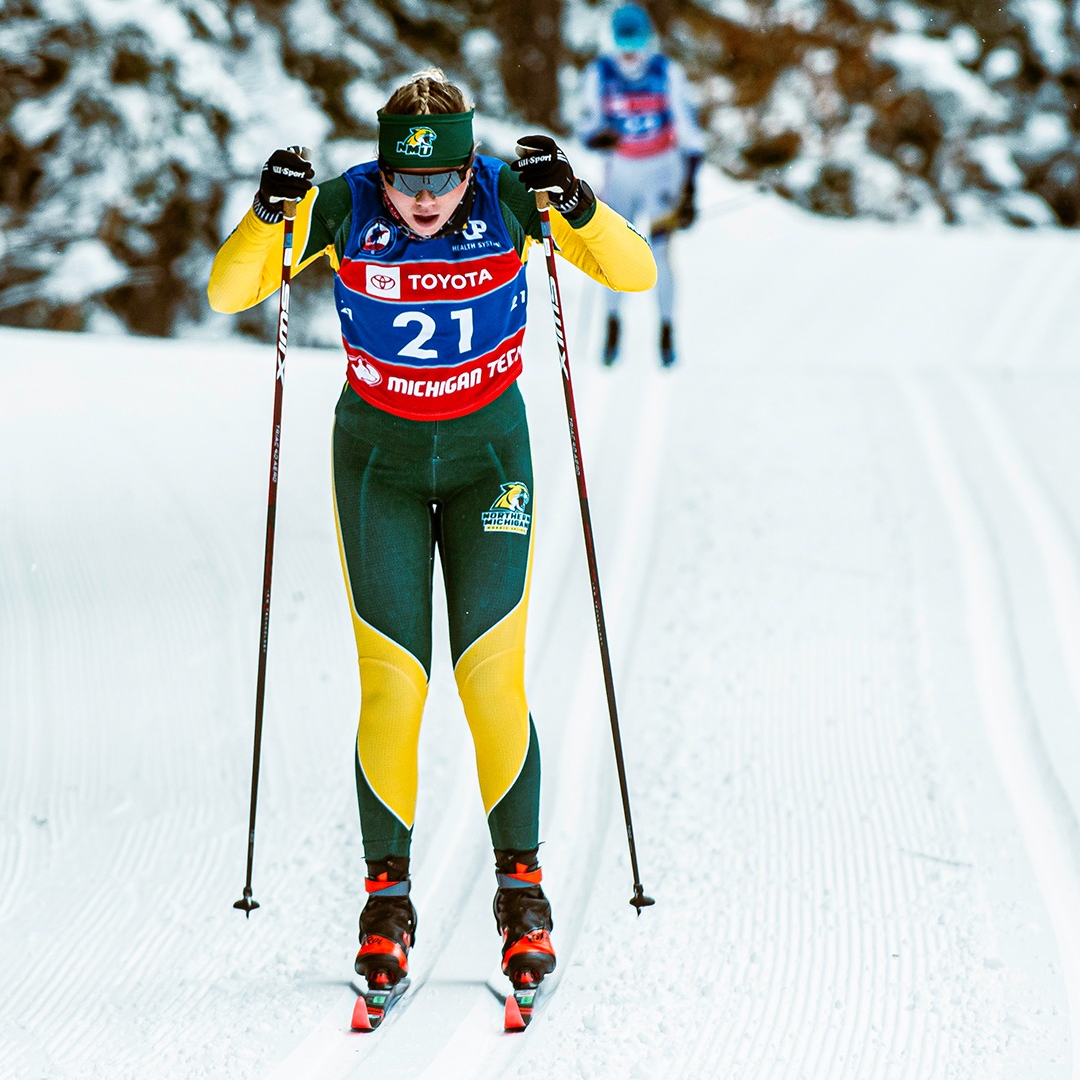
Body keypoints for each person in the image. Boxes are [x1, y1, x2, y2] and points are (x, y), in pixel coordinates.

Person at [208, 69, 655, 998]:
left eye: (438, 182)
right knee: (394, 680)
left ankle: (521, 894)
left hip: (491, 460)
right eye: (404, 181)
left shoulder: (507, 195)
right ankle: (386, 903)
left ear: (467, 167)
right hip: (380, 466)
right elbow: (229, 291)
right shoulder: (344, 206)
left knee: (490, 672)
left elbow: (633, 268)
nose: (419, 201)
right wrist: (265, 215)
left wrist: (573, 200)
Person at [578, 2, 705, 367]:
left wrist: (690, 189)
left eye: (637, 46)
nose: (631, 56)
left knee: (661, 252)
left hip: (663, 170)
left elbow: (690, 129)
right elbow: (587, 124)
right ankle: (613, 322)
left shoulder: (666, 71)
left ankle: (666, 328)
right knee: (612, 251)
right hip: (621, 172)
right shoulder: (599, 73)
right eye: (623, 46)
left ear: (649, 42)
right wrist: (595, 139)